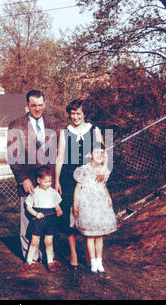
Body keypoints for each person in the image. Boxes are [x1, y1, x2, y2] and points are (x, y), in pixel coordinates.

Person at [7, 90, 60, 264]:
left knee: (49, 217)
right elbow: (13, 155)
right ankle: (31, 258)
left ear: (44, 104)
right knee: (28, 219)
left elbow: (61, 153)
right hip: (28, 179)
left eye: (40, 105)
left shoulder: (54, 123)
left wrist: (56, 179)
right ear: (27, 105)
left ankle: (48, 256)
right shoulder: (16, 124)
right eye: (33, 105)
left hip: (48, 181)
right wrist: (23, 178)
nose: (37, 109)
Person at [55, 99, 106, 270]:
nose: (75, 116)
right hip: (68, 178)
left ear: (84, 114)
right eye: (72, 113)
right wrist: (56, 181)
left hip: (89, 177)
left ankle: (89, 254)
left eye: (78, 113)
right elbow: (60, 157)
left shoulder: (94, 130)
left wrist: (103, 170)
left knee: (88, 214)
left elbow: (103, 153)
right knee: (70, 215)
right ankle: (73, 254)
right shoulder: (64, 132)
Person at [72, 143, 117, 274]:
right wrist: (75, 204)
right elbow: (78, 188)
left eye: (102, 154)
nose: (100, 156)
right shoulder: (83, 169)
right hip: (87, 205)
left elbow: (103, 186)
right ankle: (92, 262)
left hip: (100, 205)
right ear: (90, 155)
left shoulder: (104, 171)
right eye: (97, 153)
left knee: (99, 236)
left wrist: (109, 197)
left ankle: (99, 261)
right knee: (90, 236)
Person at [24, 166, 63, 272]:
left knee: (49, 241)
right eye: (45, 182)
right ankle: (29, 261)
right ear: (39, 180)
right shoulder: (34, 192)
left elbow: (56, 205)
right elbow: (28, 206)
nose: (48, 183)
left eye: (50, 181)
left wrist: (58, 210)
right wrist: (36, 214)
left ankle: (50, 262)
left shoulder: (53, 192)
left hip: (50, 220)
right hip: (38, 220)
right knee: (34, 241)